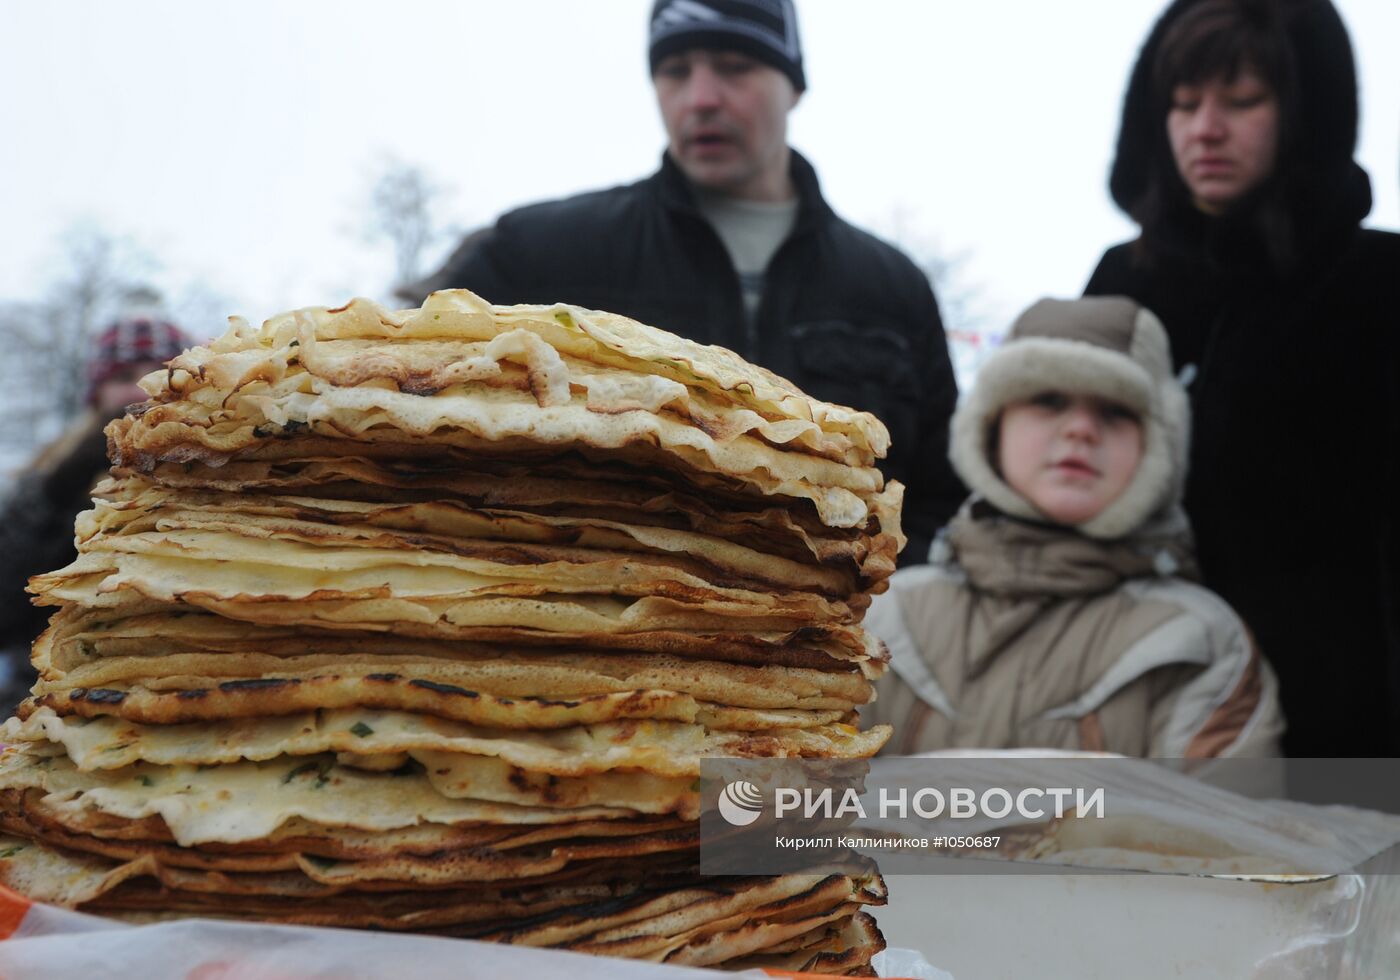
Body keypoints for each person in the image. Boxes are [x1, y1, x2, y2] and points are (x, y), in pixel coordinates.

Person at [407, 0, 963, 564]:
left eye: (734, 66)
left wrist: (871, 597)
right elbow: (414, 407)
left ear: (794, 85)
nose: (701, 98)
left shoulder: (892, 286)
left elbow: (937, 489)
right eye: (675, 71)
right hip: (588, 622)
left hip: (823, 635)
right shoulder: (538, 252)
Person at [1083, 0, 1400, 756]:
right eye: (1184, 104)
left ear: (1305, 111)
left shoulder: (1380, 284)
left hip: (1346, 727)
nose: (1206, 128)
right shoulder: (1122, 284)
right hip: (1148, 705)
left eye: (1242, 100)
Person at [862, 296, 1283, 758]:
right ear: (991, 427)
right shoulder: (884, 615)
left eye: (1116, 410)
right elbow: (794, 809)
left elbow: (1225, 828)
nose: (1081, 429)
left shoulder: (1202, 642)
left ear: (1158, 447)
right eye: (1049, 399)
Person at [0, 314, 192, 713]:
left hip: (181, 692)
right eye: (122, 374)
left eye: (159, 372)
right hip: (46, 699)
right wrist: (60, 491)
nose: (138, 388)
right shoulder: (47, 477)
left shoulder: (220, 472)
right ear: (97, 390)